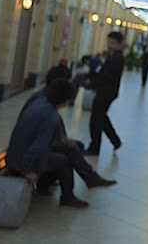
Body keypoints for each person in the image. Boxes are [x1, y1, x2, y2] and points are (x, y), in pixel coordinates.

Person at [20, 67, 117, 192]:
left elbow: (54, 125)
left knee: (76, 147)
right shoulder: (44, 101)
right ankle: (70, 188)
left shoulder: (46, 96)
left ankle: (84, 180)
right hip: (31, 145)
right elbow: (41, 138)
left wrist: (62, 138)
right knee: (69, 153)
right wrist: (27, 169)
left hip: (38, 141)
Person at [6, 79, 88, 208]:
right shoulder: (50, 114)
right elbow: (38, 146)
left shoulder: (40, 102)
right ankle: (67, 197)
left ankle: (49, 186)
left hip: (14, 153)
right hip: (18, 160)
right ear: (65, 99)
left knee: (69, 150)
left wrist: (60, 138)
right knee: (65, 161)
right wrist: (27, 170)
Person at [84, 32, 125, 155]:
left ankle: (95, 147)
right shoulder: (111, 55)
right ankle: (115, 141)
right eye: (108, 42)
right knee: (101, 117)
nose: (109, 45)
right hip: (105, 91)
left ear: (119, 45)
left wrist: (93, 83)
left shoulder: (117, 58)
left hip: (107, 92)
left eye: (112, 43)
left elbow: (107, 75)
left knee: (96, 120)